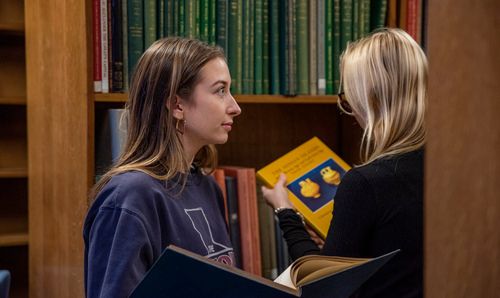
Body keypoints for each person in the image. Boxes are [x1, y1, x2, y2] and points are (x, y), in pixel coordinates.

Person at [263, 28, 427, 298]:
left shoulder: (366, 183)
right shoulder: (450, 171)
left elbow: (323, 289)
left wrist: (285, 212)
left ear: (372, 99)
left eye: (348, 98)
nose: (351, 111)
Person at [83, 37, 241, 298]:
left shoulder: (208, 188)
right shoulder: (129, 196)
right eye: (220, 90)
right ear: (177, 105)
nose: (235, 107)